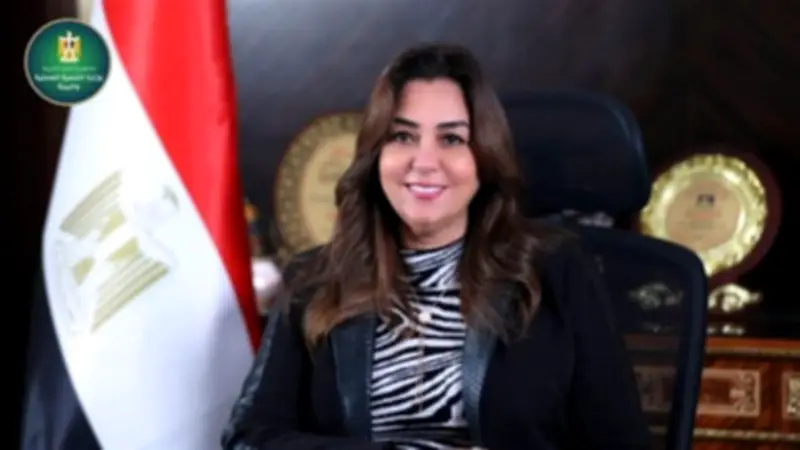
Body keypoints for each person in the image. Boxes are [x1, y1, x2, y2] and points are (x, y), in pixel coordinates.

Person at [221, 43, 651, 450]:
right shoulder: (314, 280)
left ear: (484, 159)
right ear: (376, 155)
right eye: (402, 136)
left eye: (451, 139)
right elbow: (248, 440)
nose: (424, 162)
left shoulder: (559, 271)